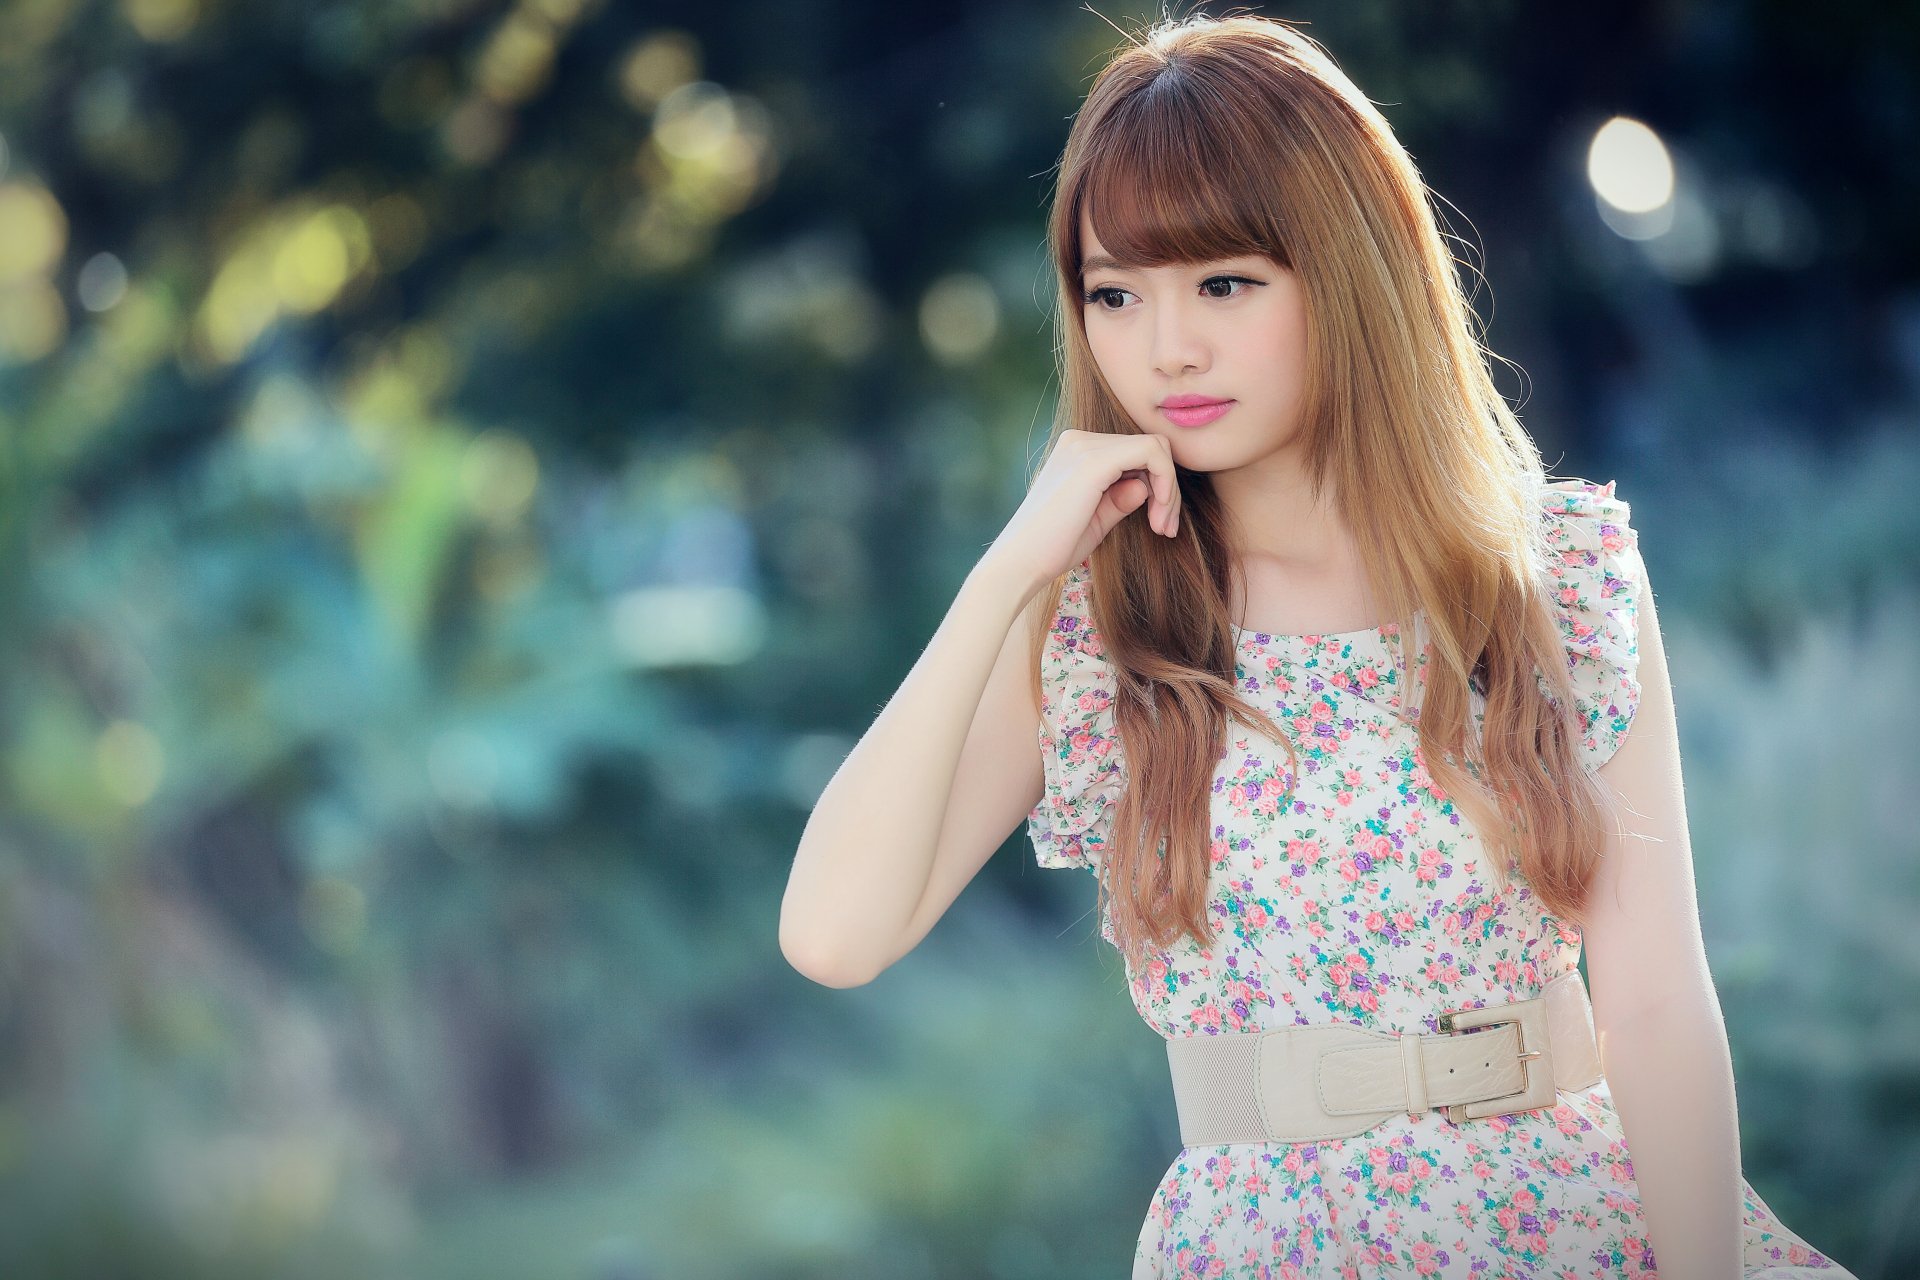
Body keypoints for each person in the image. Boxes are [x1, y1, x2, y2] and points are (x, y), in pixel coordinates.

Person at [781, 12, 1858, 1278]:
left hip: (1579, 1222)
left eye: (1223, 284)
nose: (1165, 345)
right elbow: (833, 934)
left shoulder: (1556, 576)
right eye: (1115, 294)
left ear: (1347, 270)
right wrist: (1010, 567)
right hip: (1269, 1243)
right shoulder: (1098, 634)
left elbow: (1661, 1005)